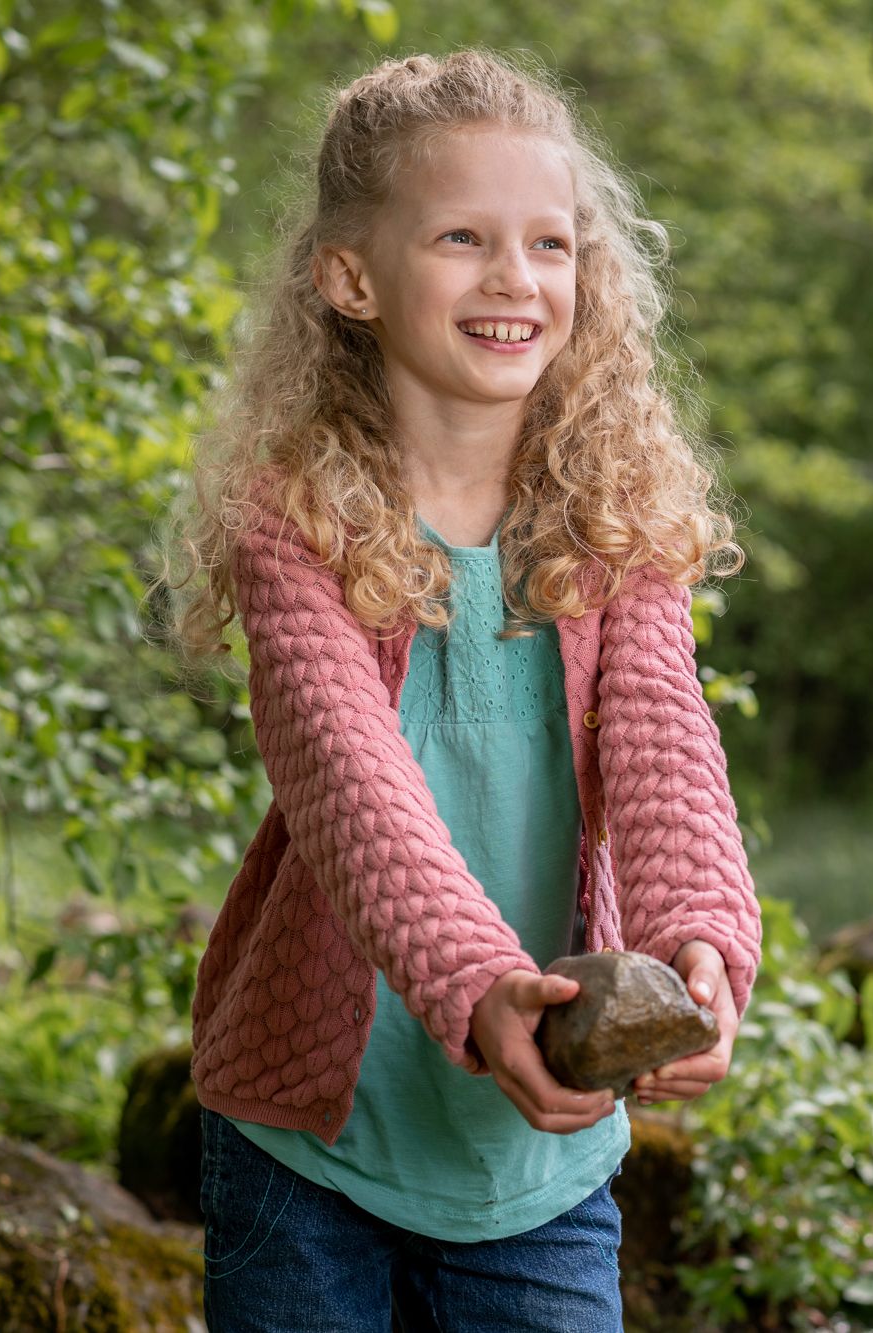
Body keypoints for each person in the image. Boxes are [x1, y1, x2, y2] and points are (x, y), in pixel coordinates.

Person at [165, 51, 760, 1331]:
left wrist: (698, 941)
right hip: (308, 1150)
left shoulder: (614, 521)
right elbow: (349, 786)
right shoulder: (291, 522)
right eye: (460, 237)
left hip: (536, 1171)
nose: (514, 278)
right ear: (350, 276)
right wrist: (482, 987)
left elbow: (663, 745)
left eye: (550, 243)